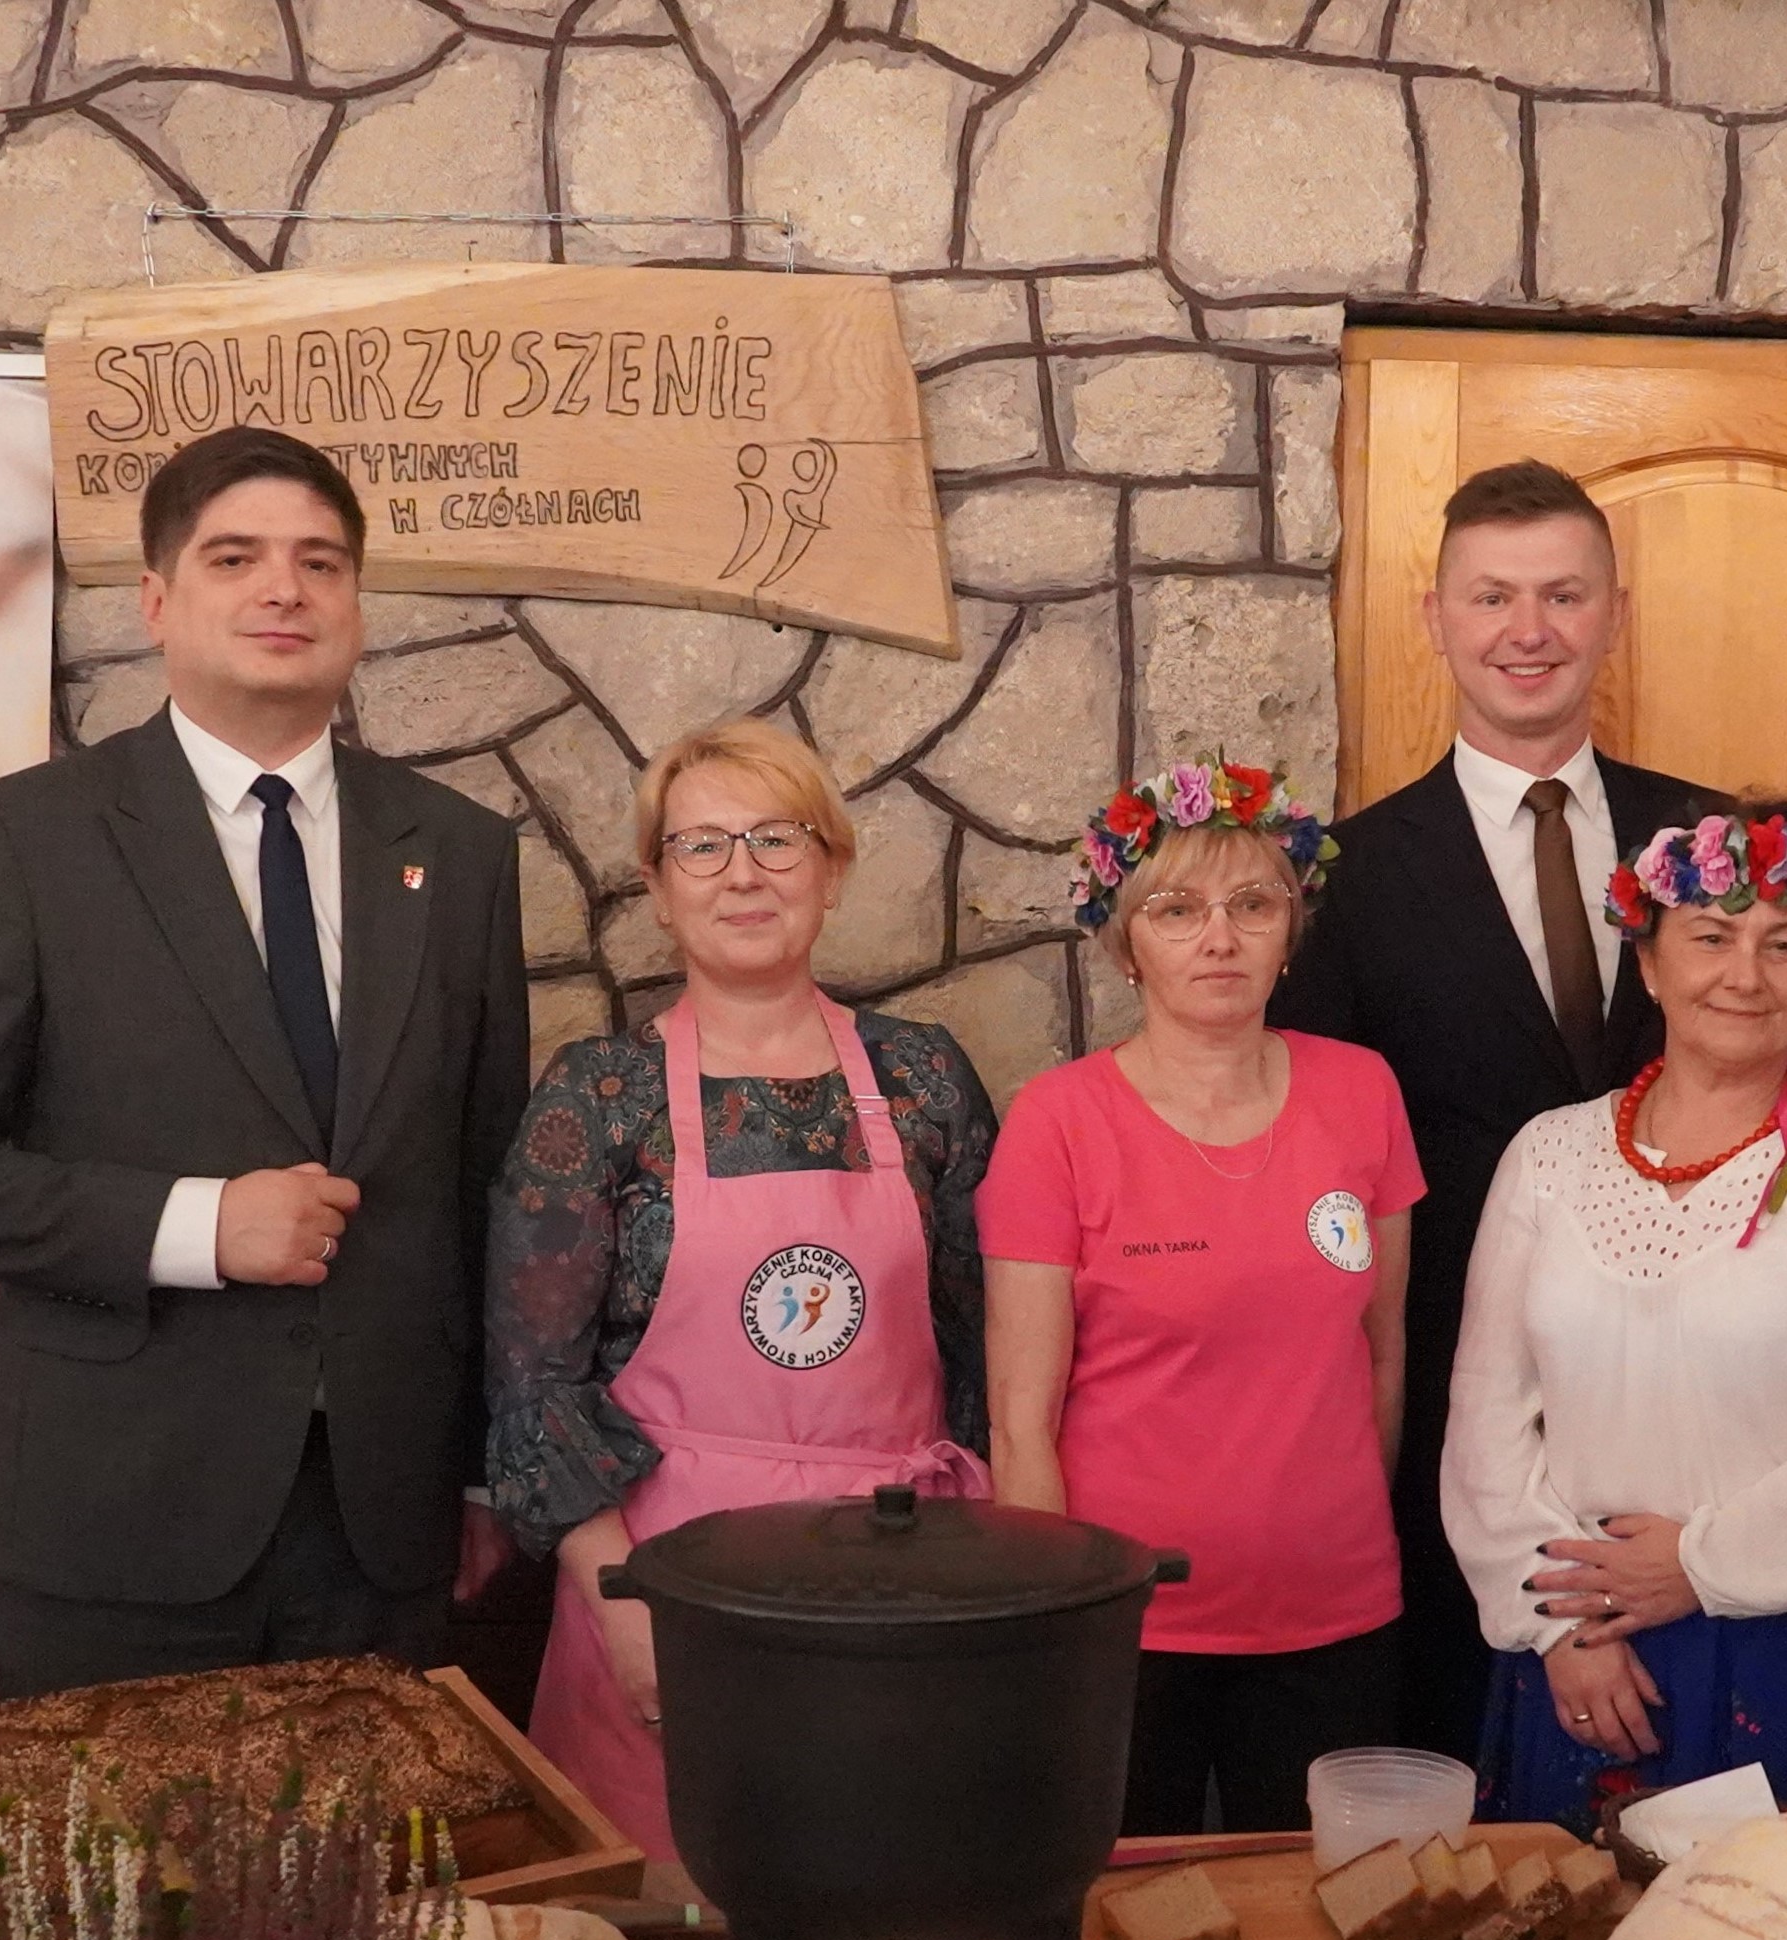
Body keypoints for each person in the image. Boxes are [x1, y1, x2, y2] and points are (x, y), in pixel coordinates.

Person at [0, 427, 529, 1697]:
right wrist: (202, 1225)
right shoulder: (29, 839)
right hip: (114, 1519)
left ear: (356, 605)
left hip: (383, 1529)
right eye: (235, 557)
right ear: (156, 602)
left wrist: (485, 1470)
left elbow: (486, 1181)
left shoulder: (460, 851)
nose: (284, 589)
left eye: (320, 562)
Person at [1267, 459, 1720, 1765]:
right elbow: (1323, 1162)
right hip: (1454, 1389)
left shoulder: (1705, 844)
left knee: (1691, 1764)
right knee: (1463, 1767)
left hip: (1696, 1378)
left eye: (1562, 595)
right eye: (1491, 596)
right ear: (1434, 618)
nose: (1528, 629)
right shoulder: (1347, 878)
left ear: (1613, 613)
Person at [487, 718, 993, 1860]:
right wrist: (624, 1607)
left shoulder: (925, 1075)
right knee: (676, 1939)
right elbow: (533, 1387)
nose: (743, 873)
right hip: (663, 1593)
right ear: (659, 890)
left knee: (887, 1911)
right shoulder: (598, 1095)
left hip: (898, 1587)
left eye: (778, 837)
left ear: (832, 868)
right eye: (702, 846)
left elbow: (983, 1356)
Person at [1444, 804, 1787, 1826]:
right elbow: (1484, 1414)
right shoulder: (1548, 1154)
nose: (1745, 974)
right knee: (1572, 1920)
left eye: (1784, 944)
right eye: (1711, 937)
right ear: (1647, 962)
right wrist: (1557, 1624)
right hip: (1588, 1643)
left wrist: (1699, 1564)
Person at [982, 762, 1422, 1834]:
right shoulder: (1058, 1123)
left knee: (1328, 1903)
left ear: (1289, 932)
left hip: (1335, 1617)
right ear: (1126, 943)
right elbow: (1020, 1422)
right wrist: (1052, 1629)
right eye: (1177, 910)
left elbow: (1382, 1353)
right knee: (1122, 1911)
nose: (1218, 937)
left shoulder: (1362, 1090)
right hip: (1125, 1627)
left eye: (1252, 905)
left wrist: (1324, 1533)